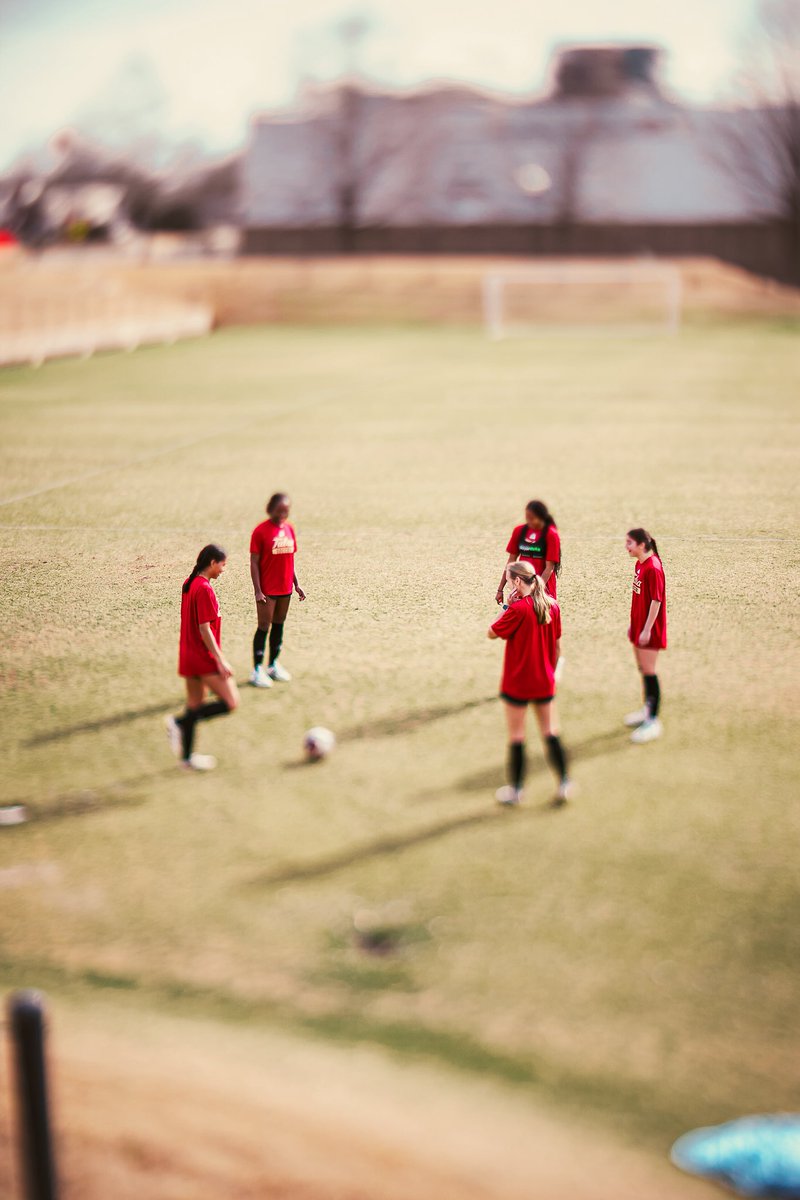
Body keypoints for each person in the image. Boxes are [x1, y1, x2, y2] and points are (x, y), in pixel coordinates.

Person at [488, 560, 572, 806]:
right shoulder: (552, 606)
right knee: (550, 732)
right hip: (544, 680)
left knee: (517, 736)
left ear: (516, 581)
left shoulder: (517, 610)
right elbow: (557, 646)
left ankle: (516, 790)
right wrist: (552, 672)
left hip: (518, 682)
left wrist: (506, 605)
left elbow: (492, 632)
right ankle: (564, 783)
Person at [166, 544, 239, 771]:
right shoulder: (205, 588)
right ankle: (179, 722)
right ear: (212, 563)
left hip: (188, 655)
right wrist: (219, 659)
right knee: (230, 703)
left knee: (195, 705)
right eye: (223, 565)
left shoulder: (189, 584)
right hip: (202, 657)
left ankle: (187, 759)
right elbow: (204, 628)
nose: (223, 570)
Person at [249, 493, 306, 688]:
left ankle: (272, 665)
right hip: (267, 589)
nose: (283, 513)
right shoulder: (260, 531)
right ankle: (257, 670)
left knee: (279, 624)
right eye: (279, 510)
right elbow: (254, 562)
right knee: (264, 627)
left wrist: (296, 584)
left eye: (286, 510)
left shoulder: (290, 528)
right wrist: (258, 590)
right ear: (270, 508)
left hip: (285, 588)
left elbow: (290, 559)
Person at [625, 527, 667, 744]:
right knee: (643, 669)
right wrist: (634, 625)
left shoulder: (653, 567)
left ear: (642, 544)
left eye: (630, 543)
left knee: (650, 672)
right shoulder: (640, 564)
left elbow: (656, 602)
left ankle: (653, 721)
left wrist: (647, 629)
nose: (626, 547)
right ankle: (646, 709)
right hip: (640, 627)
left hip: (649, 629)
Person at [497, 499, 561, 607]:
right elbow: (511, 562)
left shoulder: (550, 534)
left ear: (541, 517)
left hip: (543, 587)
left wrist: (533, 591)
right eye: (527, 518)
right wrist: (500, 589)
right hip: (521, 586)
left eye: (532, 518)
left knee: (541, 621)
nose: (529, 521)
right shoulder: (519, 531)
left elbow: (549, 568)